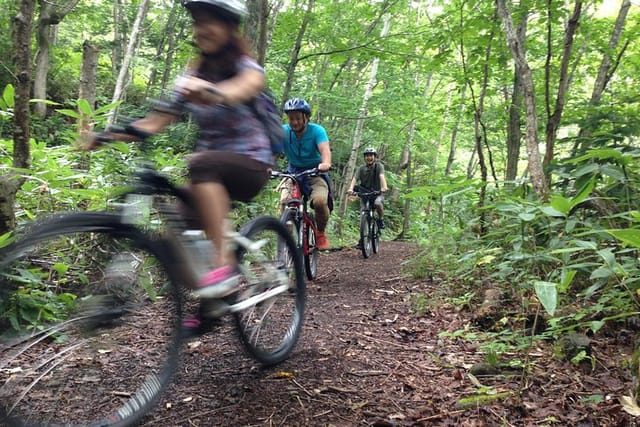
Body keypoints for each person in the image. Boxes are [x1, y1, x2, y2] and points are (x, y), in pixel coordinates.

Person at [82, 0, 272, 329]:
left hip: (251, 163)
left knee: (199, 164)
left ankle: (224, 267)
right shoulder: (191, 72)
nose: (202, 29)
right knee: (176, 233)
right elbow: (155, 122)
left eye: (210, 21)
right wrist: (105, 137)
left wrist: (213, 91)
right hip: (211, 169)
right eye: (198, 22)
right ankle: (213, 303)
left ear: (229, 27)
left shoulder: (246, 66)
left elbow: (244, 88)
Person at [280, 97, 333, 250]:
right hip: (293, 172)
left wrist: (326, 163)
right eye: (291, 118)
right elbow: (275, 151)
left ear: (306, 118)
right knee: (285, 201)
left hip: (315, 172)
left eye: (297, 118)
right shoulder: (283, 131)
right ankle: (286, 240)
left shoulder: (317, 131)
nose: (294, 122)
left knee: (319, 201)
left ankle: (320, 233)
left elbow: (325, 150)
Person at [347, 147, 388, 229]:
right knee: (363, 213)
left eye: (371, 155)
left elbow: (382, 176)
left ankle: (381, 219)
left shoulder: (379, 166)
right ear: (364, 157)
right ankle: (363, 238)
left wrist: (384, 187)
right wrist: (350, 189)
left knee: (377, 203)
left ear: (375, 157)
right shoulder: (361, 168)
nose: (369, 157)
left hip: (377, 192)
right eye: (367, 156)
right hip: (364, 193)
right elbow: (355, 179)